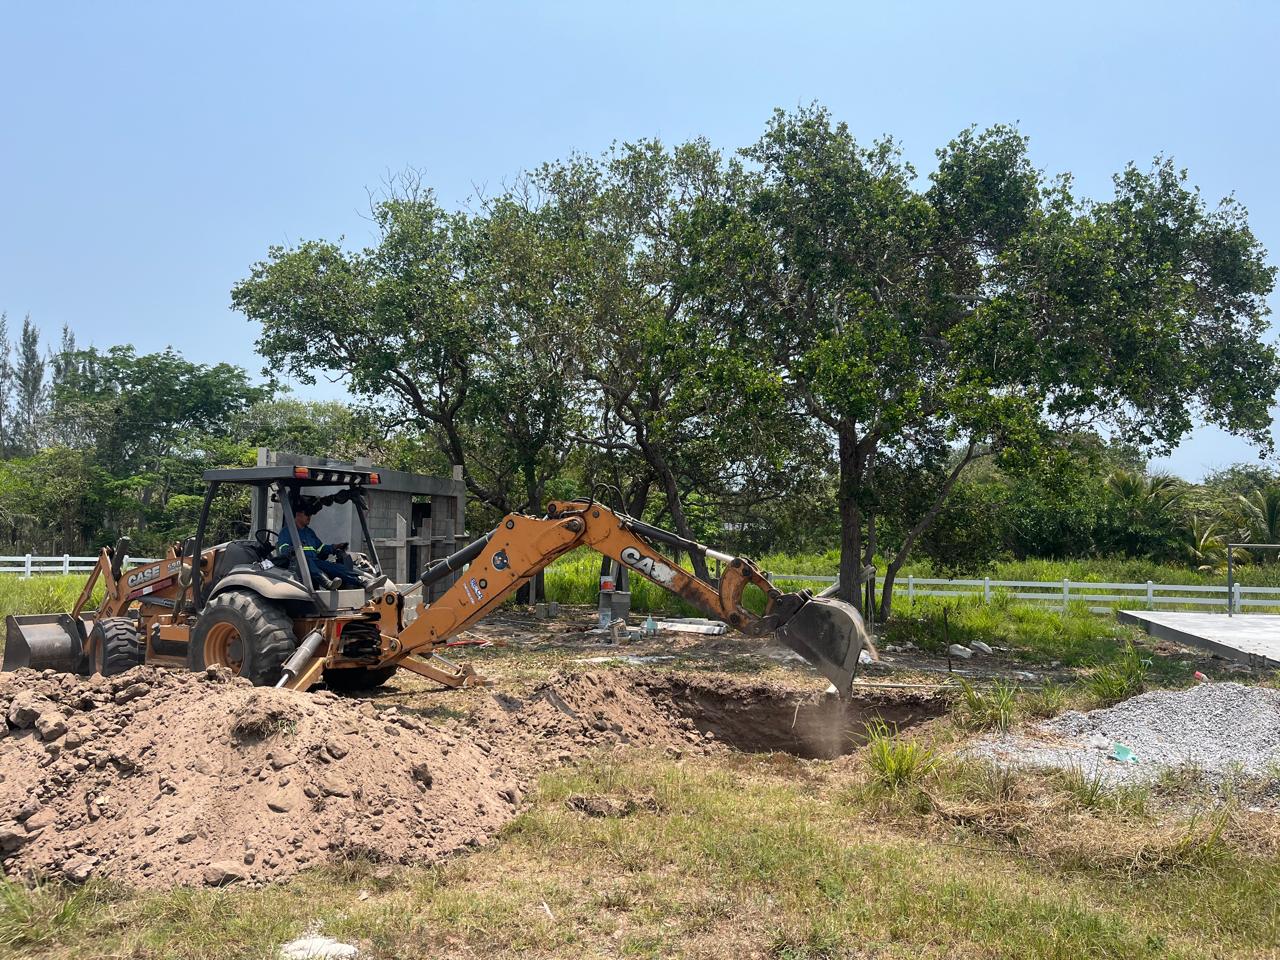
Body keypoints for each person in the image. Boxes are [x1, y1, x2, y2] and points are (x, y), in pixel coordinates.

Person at [277, 496, 362, 588]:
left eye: (310, 515)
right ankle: (326, 582)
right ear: (298, 514)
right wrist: (294, 550)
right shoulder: (287, 531)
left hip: (315, 562)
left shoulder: (309, 532)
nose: (310, 517)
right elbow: (283, 548)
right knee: (306, 560)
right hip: (298, 565)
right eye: (307, 514)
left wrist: (334, 547)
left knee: (335, 567)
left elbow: (320, 548)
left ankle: (361, 581)